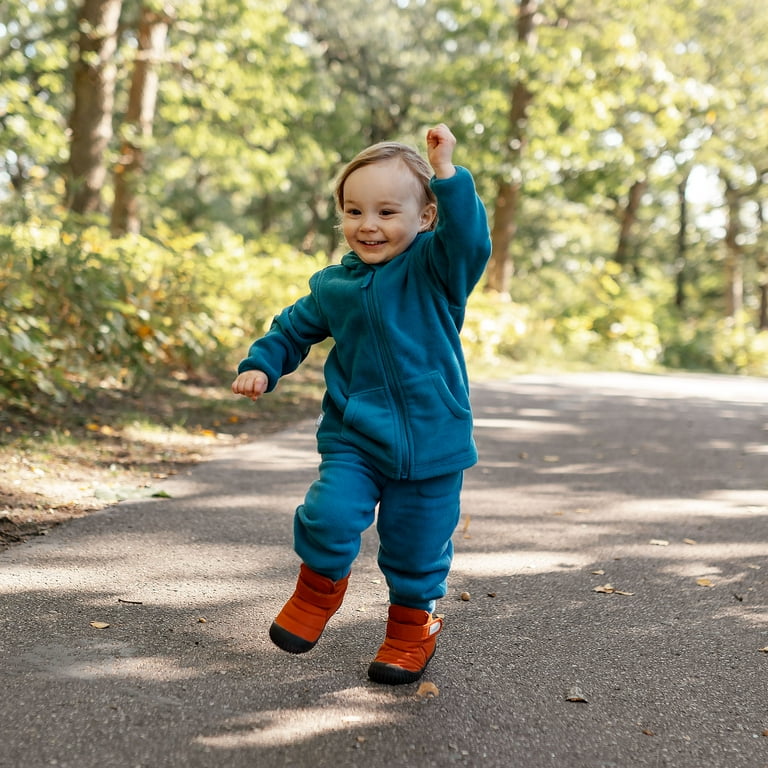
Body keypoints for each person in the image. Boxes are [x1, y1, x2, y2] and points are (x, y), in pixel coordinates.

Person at [232, 123, 491, 685]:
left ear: (425, 218)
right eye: (354, 211)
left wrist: (446, 175)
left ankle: (410, 628)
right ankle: (316, 593)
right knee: (328, 515)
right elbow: (290, 330)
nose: (367, 225)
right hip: (354, 435)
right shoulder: (334, 286)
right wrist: (260, 363)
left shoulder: (436, 270)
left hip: (433, 441)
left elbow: (470, 240)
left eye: (386, 212)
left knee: (416, 548)